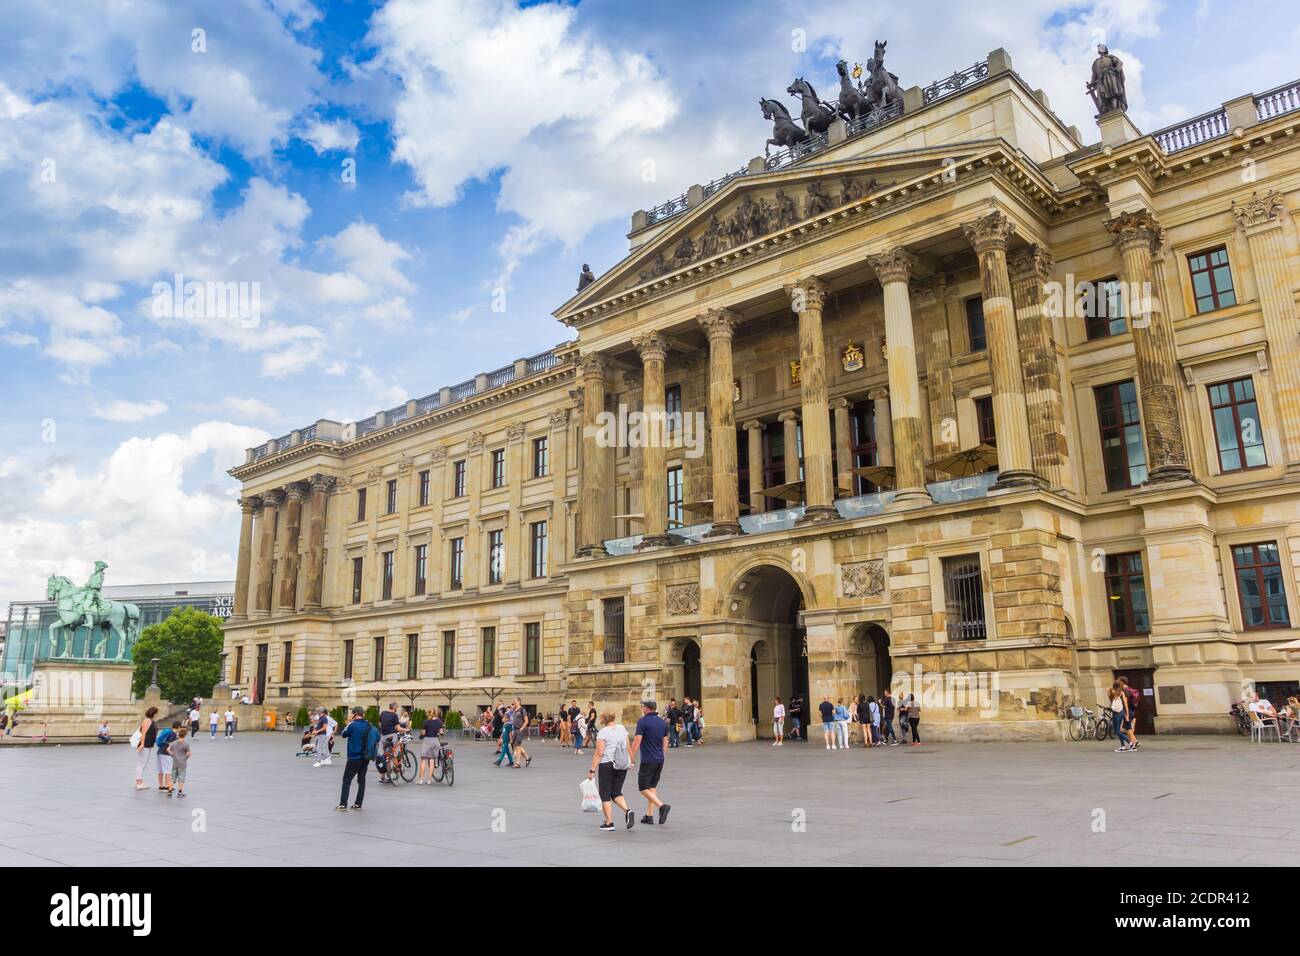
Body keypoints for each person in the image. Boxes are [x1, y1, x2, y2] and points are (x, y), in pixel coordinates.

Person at [588, 711, 634, 831]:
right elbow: (628, 747)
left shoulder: (603, 732)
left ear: (604, 718)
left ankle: (609, 823)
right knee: (616, 792)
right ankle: (627, 811)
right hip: (622, 764)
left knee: (605, 795)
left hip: (607, 764)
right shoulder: (622, 728)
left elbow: (599, 753)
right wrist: (631, 761)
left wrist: (592, 770)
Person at [630, 701, 671, 826]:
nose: (642, 709)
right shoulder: (662, 722)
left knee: (643, 788)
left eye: (643, 707)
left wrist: (630, 756)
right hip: (659, 759)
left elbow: (637, 740)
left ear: (646, 708)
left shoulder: (642, 722)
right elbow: (665, 740)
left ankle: (662, 806)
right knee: (652, 787)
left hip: (648, 760)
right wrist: (662, 755)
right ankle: (649, 815)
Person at [337, 707, 378, 811]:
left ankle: (343, 804)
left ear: (354, 714)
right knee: (362, 780)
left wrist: (349, 722)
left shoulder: (352, 725)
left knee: (346, 780)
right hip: (365, 757)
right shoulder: (368, 725)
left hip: (354, 757)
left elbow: (343, 734)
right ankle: (358, 804)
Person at [133, 706, 158, 789]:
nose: (157, 715)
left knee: (143, 764)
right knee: (141, 764)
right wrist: (142, 745)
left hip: (148, 745)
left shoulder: (151, 721)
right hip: (145, 745)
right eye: (156, 713)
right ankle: (139, 783)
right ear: (153, 713)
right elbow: (143, 733)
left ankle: (140, 781)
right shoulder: (147, 721)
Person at [418, 709, 444, 784]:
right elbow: (441, 732)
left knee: (423, 761)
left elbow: (423, 733)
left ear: (428, 714)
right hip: (436, 741)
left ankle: (420, 780)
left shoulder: (426, 722)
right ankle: (429, 780)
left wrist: (421, 735)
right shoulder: (439, 722)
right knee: (432, 761)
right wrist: (442, 732)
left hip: (427, 741)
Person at [156, 720, 179, 793]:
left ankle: (161, 786)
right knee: (168, 770)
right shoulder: (173, 734)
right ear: (178, 727)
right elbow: (171, 744)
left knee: (160, 770)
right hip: (166, 753)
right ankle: (167, 786)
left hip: (159, 752)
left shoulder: (168, 732)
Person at [1118, 676, 1140, 750]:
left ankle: (1133, 742)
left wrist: (1125, 713)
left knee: (1126, 728)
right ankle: (1134, 741)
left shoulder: (1124, 691)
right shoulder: (1130, 690)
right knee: (1127, 727)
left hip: (1127, 711)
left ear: (1122, 682)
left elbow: (1125, 703)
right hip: (1132, 711)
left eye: (1118, 681)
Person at [1109, 683, 1132, 752]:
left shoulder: (1112, 692)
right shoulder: (1122, 692)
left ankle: (1130, 743)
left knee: (1117, 731)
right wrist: (1127, 714)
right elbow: (1125, 704)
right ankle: (1122, 746)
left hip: (1116, 713)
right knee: (1118, 730)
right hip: (1121, 712)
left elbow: (1111, 702)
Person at [170, 728, 192, 798]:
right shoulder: (186, 744)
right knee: (181, 778)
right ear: (185, 735)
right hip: (182, 764)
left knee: (172, 778)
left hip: (175, 763)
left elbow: (168, 749)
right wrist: (185, 758)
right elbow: (189, 753)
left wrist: (173, 755)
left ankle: (169, 792)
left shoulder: (174, 743)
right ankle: (180, 793)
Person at [511, 699, 532, 768]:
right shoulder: (514, 709)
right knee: (515, 744)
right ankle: (527, 757)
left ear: (519, 701)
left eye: (515, 701)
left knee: (517, 746)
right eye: (514, 701)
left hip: (520, 730)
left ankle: (518, 763)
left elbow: (526, 720)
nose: (514, 702)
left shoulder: (522, 710)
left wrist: (522, 728)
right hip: (515, 729)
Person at [495, 703, 517, 768]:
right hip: (504, 739)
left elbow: (510, 733)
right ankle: (511, 762)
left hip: (507, 739)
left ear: (507, 719)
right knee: (507, 751)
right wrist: (500, 738)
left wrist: (511, 740)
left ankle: (499, 761)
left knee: (504, 751)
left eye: (504, 718)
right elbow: (502, 732)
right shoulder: (504, 725)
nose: (502, 719)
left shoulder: (509, 725)